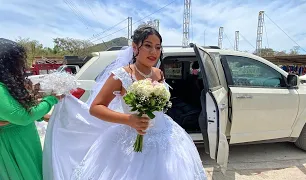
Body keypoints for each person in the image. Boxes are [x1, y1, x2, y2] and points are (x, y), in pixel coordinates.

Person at [43, 26, 207, 180]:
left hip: (164, 133)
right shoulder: (120, 75)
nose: (154, 52)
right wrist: (129, 120)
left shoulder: (158, 73)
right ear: (135, 48)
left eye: (158, 47)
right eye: (148, 46)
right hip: (131, 138)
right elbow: (96, 108)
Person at [0, 38, 60, 180]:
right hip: (13, 141)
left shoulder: (6, 84)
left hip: (23, 137)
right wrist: (51, 99)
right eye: (18, 60)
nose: (22, 65)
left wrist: (42, 116)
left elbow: (17, 109)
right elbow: (22, 116)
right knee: (26, 173)